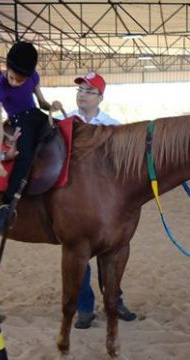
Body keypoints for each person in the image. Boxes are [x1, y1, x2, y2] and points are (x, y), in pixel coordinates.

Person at [63, 72, 136, 329]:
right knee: (78, 253)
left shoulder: (114, 126)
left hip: (106, 202)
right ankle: (84, 307)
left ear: (100, 97)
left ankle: (115, 300)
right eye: (80, 90)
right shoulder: (65, 121)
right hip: (76, 201)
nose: (82, 94)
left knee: (113, 252)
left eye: (88, 90)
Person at [0, 41, 62, 232]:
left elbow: (42, 103)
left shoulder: (32, 77)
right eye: (13, 78)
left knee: (62, 130)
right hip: (19, 121)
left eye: (20, 81)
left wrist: (52, 107)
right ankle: (6, 205)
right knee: (25, 156)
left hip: (35, 114)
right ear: (7, 67)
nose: (14, 82)